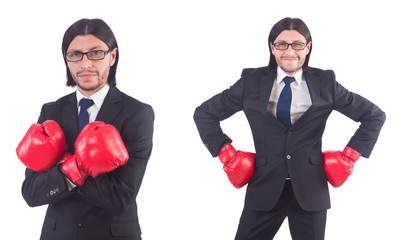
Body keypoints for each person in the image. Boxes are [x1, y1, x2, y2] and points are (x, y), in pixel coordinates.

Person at [193, 17, 385, 240]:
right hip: (264, 186)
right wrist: (225, 153)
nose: (290, 51)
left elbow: (373, 116)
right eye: (282, 44)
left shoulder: (326, 82)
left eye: (297, 44)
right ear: (272, 48)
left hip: (310, 190)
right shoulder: (251, 80)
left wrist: (351, 155)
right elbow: (204, 113)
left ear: (308, 47)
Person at [18, 18, 154, 240]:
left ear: (112, 56)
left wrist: (65, 166)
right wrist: (77, 168)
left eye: (95, 53)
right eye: (75, 55)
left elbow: (120, 198)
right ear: (66, 60)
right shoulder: (51, 112)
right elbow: (32, 193)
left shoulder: (137, 113)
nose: (85, 64)